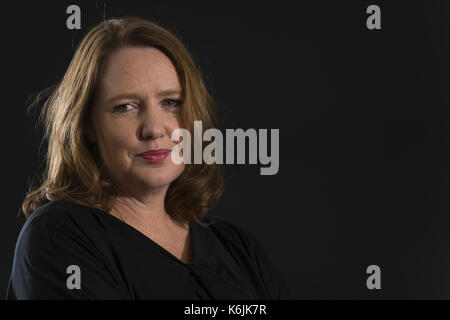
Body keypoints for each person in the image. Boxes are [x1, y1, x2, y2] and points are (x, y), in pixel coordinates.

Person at [6, 16, 292, 299]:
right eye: (125, 107)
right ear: (88, 126)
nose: (154, 129)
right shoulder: (59, 235)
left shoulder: (236, 247)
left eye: (171, 103)